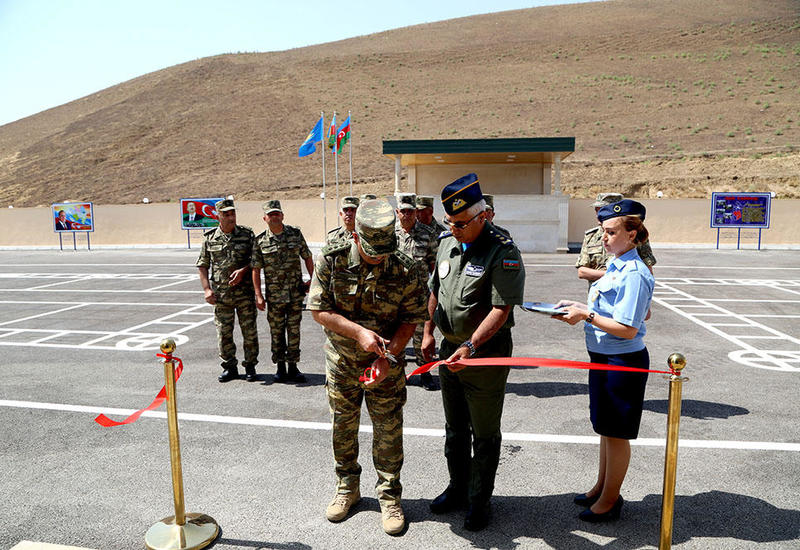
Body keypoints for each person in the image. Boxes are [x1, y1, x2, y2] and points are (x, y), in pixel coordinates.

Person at [308, 199, 428, 536]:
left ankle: (389, 496)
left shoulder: (404, 266)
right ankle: (348, 487)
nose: (379, 256)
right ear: (356, 237)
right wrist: (359, 333)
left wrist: (389, 356)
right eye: (372, 249)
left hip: (385, 367)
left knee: (388, 430)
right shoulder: (331, 259)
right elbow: (319, 310)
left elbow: (412, 318)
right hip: (342, 363)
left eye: (384, 249)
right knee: (343, 428)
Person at [421, 173, 526, 531]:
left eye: (462, 223)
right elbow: (435, 289)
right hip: (451, 351)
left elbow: (501, 309)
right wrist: (427, 333)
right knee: (454, 429)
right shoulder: (446, 243)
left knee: (483, 433)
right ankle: (457, 488)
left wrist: (470, 345)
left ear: (483, 216)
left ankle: (480, 500)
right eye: (450, 222)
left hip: (485, 354)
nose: (455, 230)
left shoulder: (503, 250)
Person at [553, 199, 655, 523]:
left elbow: (628, 329)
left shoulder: (635, 272)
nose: (605, 238)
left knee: (617, 433)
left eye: (611, 232)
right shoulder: (617, 264)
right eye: (603, 232)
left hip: (622, 361)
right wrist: (576, 305)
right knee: (605, 428)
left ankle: (611, 500)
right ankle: (602, 486)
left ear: (633, 233)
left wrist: (587, 314)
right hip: (604, 357)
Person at [196, 199, 259, 382]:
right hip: (221, 296)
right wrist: (207, 289)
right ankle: (229, 367)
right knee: (224, 332)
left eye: (233, 213)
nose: (231, 217)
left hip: (245, 294)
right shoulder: (210, 238)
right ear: (218, 216)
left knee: (249, 332)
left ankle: (250, 366)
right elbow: (202, 265)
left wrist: (243, 270)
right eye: (226, 214)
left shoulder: (247, 235)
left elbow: (256, 260)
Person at [252, 199, 314, 383]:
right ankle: (280, 367)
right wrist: (258, 295)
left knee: (294, 331)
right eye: (270, 214)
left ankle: (293, 367)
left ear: (282, 215)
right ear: (265, 218)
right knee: (276, 332)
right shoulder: (260, 241)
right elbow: (256, 269)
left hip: (295, 294)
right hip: (275, 297)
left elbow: (307, 257)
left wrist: (313, 280)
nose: (274, 216)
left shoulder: (295, 234)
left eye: (277, 213)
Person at [394, 193, 439, 391]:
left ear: (415, 212)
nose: (407, 215)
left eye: (410, 211)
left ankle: (425, 372)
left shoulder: (428, 234)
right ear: (397, 212)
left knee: (421, 336)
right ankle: (398, 373)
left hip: (420, 296)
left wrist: (435, 293)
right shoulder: (389, 235)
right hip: (395, 298)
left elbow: (434, 266)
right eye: (403, 211)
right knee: (397, 336)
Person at [577, 193, 656, 284]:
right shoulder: (591, 236)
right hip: (597, 295)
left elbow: (648, 271)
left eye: (603, 209)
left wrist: (628, 275)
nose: (598, 214)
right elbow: (582, 271)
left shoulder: (633, 235)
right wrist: (616, 274)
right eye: (596, 210)